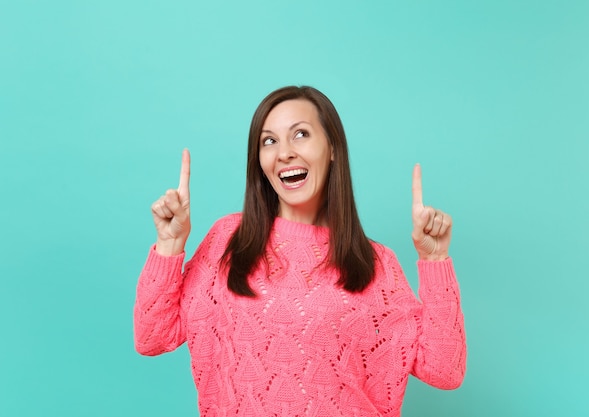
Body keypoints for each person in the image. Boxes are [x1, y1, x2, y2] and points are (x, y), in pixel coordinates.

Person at [134, 86, 466, 417]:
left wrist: (435, 260)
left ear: (333, 147)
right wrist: (169, 244)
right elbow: (152, 337)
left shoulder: (375, 264)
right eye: (269, 141)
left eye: (301, 134)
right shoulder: (227, 239)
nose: (284, 153)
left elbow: (444, 371)